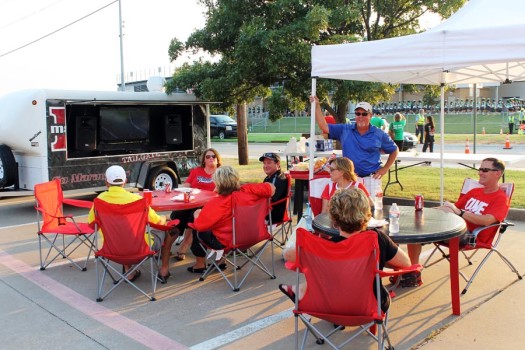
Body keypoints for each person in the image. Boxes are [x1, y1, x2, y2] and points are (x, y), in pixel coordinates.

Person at [279, 187, 411, 312]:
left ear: (333, 218)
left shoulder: (323, 247)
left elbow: (288, 255)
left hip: (328, 306)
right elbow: (406, 263)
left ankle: (301, 290)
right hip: (371, 307)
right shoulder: (377, 239)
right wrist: (379, 259)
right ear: (366, 214)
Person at [405, 158, 510, 287]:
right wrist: (423, 212)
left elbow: (487, 220)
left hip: (471, 236)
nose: (480, 173)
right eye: (480, 169)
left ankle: (410, 273)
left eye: (485, 170)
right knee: (415, 229)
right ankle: (413, 273)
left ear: (498, 174)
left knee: (422, 228)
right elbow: (452, 209)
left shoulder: (501, 198)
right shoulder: (474, 192)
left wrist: (460, 213)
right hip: (452, 227)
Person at [88, 165, 169, 283]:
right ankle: (164, 269)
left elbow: (91, 224)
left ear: (106, 182)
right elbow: (156, 222)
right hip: (140, 249)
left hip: (111, 250)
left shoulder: (99, 201)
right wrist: (164, 219)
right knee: (165, 229)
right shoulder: (137, 200)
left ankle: (129, 271)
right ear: (125, 181)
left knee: (120, 234)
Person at [187, 166, 276, 273]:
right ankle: (220, 261)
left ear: (218, 183)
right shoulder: (249, 190)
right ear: (236, 179)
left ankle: (200, 264)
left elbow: (200, 226)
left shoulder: (217, 203)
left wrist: (197, 214)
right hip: (255, 236)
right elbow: (272, 188)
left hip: (230, 242)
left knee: (201, 228)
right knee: (223, 222)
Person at [311, 95, 399, 197]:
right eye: (358, 113)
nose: (360, 117)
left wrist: (385, 168)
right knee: (349, 209)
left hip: (371, 178)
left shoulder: (379, 133)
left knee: (371, 209)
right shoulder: (345, 129)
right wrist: (317, 105)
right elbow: (324, 127)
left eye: (364, 114)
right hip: (350, 178)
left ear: (370, 115)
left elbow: (394, 150)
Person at [169, 148, 222, 264]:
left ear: (218, 159)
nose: (211, 158)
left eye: (213, 156)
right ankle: (166, 246)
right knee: (178, 216)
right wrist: (186, 188)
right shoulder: (196, 171)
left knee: (194, 216)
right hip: (192, 201)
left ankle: (185, 245)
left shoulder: (220, 173)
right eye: (208, 157)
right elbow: (187, 184)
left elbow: (223, 190)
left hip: (209, 205)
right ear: (204, 160)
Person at [259, 152, 288, 225]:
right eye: (264, 163)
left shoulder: (279, 179)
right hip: (267, 213)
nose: (265, 166)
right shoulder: (269, 177)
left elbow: (270, 200)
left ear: (277, 164)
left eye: (269, 163)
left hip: (272, 217)